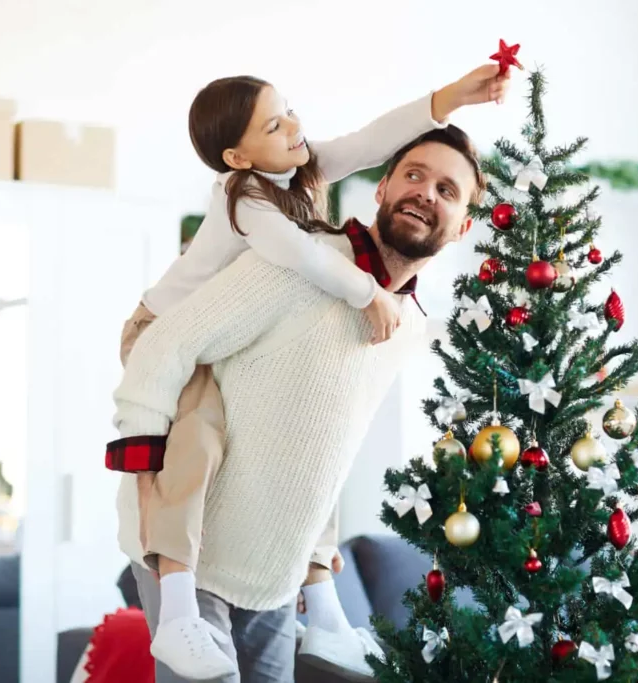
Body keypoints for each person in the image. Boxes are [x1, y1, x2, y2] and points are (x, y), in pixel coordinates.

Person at [107, 67, 509, 680]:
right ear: (380, 189)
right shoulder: (298, 258)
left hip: (273, 576)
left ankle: (324, 612)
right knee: (199, 429)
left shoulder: (407, 326)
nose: (427, 192)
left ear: (465, 226)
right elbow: (163, 347)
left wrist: (312, 566)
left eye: (448, 191)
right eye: (414, 174)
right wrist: (139, 470)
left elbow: (324, 441)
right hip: (192, 561)